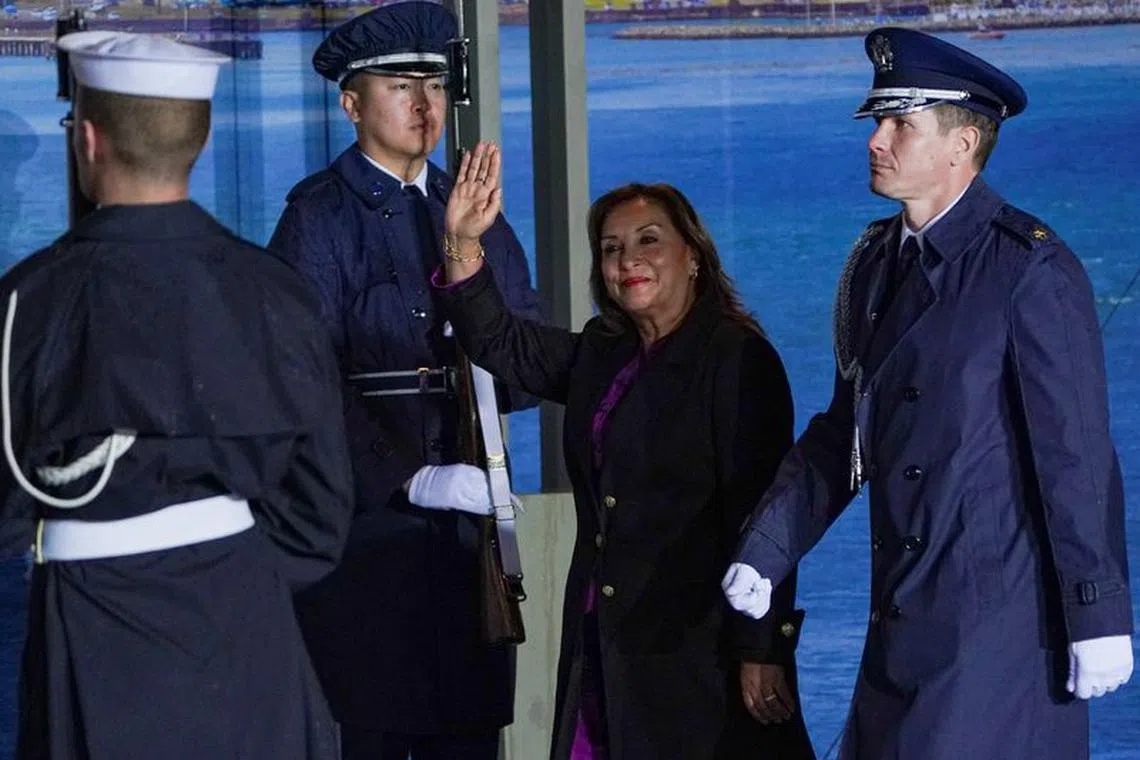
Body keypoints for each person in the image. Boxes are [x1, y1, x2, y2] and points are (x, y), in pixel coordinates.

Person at [722, 27, 1134, 760]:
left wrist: (1098, 615)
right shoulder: (877, 264)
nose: (876, 140)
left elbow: (1075, 457)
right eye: (878, 122)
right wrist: (767, 547)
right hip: (901, 622)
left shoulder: (1030, 270)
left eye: (900, 123)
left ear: (961, 144)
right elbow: (848, 429)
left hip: (997, 634)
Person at [0, 31, 354, 759]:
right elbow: (320, 516)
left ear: (89, 140)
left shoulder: (28, 301)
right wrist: (229, 571)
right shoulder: (275, 294)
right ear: (198, 137)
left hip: (91, 629)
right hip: (250, 631)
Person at [435, 142, 816, 760]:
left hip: (698, 654)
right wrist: (462, 241)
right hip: (604, 645)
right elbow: (500, 343)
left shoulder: (738, 359)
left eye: (648, 241)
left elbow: (764, 517)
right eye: (611, 248)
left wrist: (761, 649)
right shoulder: (602, 351)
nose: (627, 260)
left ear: (692, 257)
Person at [267, 3, 542, 758]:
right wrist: (411, 479)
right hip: (367, 536)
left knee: (470, 735)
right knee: (373, 733)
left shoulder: (471, 209)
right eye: (400, 85)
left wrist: (470, 256)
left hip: (469, 545)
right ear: (352, 103)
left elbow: (522, 360)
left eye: (435, 84)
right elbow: (303, 384)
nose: (425, 105)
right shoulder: (318, 221)